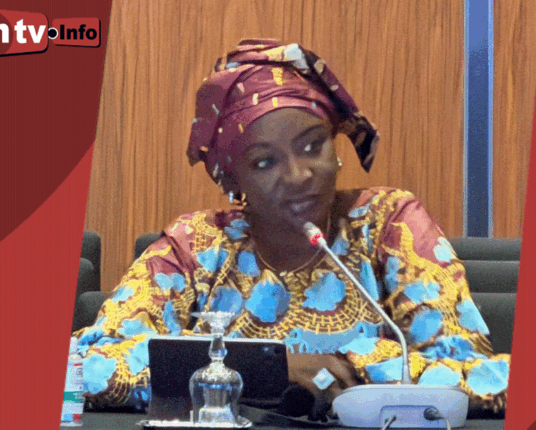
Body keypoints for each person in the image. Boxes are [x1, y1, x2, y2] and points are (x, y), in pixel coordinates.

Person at [75, 39, 510, 418]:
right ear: (234, 179)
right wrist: (270, 368)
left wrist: (345, 364)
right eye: (265, 162)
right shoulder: (195, 245)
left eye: (313, 145)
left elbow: (478, 375)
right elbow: (88, 367)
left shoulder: (388, 224)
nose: (300, 175)